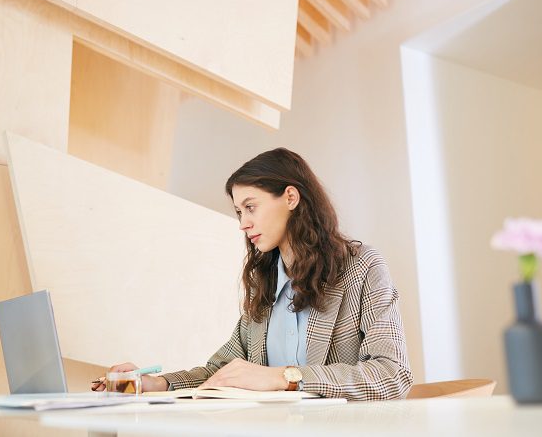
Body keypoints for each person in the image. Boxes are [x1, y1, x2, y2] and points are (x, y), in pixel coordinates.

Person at [102, 148, 413, 401]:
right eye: (239, 211)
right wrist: (156, 384)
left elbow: (393, 374)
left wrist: (283, 377)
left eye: (251, 207)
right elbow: (223, 370)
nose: (243, 223)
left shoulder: (363, 268)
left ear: (291, 198)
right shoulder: (264, 284)